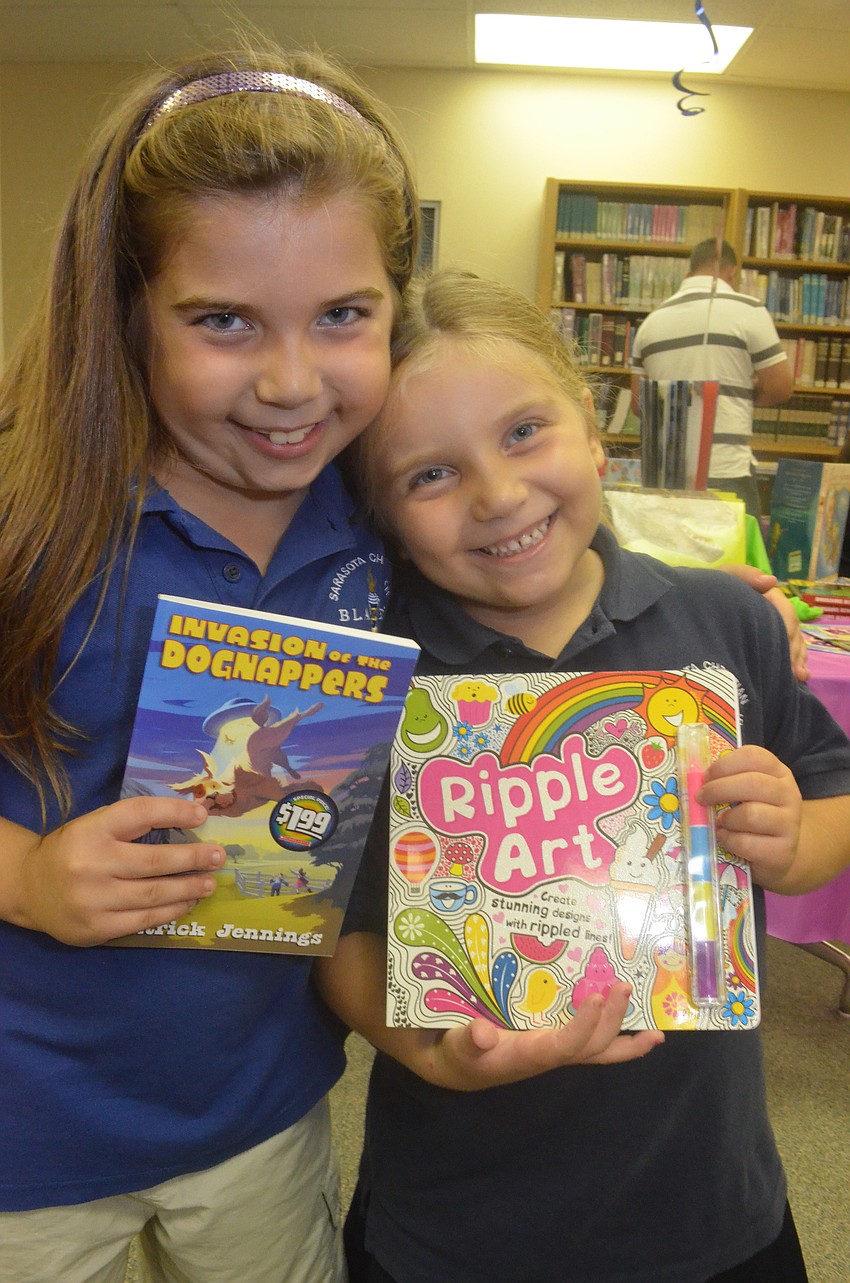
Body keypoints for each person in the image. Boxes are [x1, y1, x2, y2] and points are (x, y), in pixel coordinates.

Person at [316, 270, 850, 1283]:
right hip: (456, 1223)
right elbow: (334, 928)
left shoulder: (724, 620)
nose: (497, 495)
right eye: (430, 475)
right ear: (380, 514)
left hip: (709, 1208)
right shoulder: (373, 677)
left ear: (594, 429)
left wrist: (792, 841)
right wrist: (432, 1053)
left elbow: (833, 795)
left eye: (524, 432)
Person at [0, 41, 422, 1283]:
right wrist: (26, 877)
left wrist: (684, 602)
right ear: (128, 308)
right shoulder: (30, 515)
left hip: (260, 1108)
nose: (291, 383)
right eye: (223, 320)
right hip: (25, 1131)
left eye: (343, 314)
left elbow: (523, 566)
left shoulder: (380, 507)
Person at [630, 237, 794, 519]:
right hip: (725, 469)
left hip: (665, 474)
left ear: (689, 273)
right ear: (732, 272)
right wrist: (742, 391)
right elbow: (780, 387)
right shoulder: (748, 310)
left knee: (670, 548)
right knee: (734, 549)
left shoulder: (650, 323)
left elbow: (638, 404)